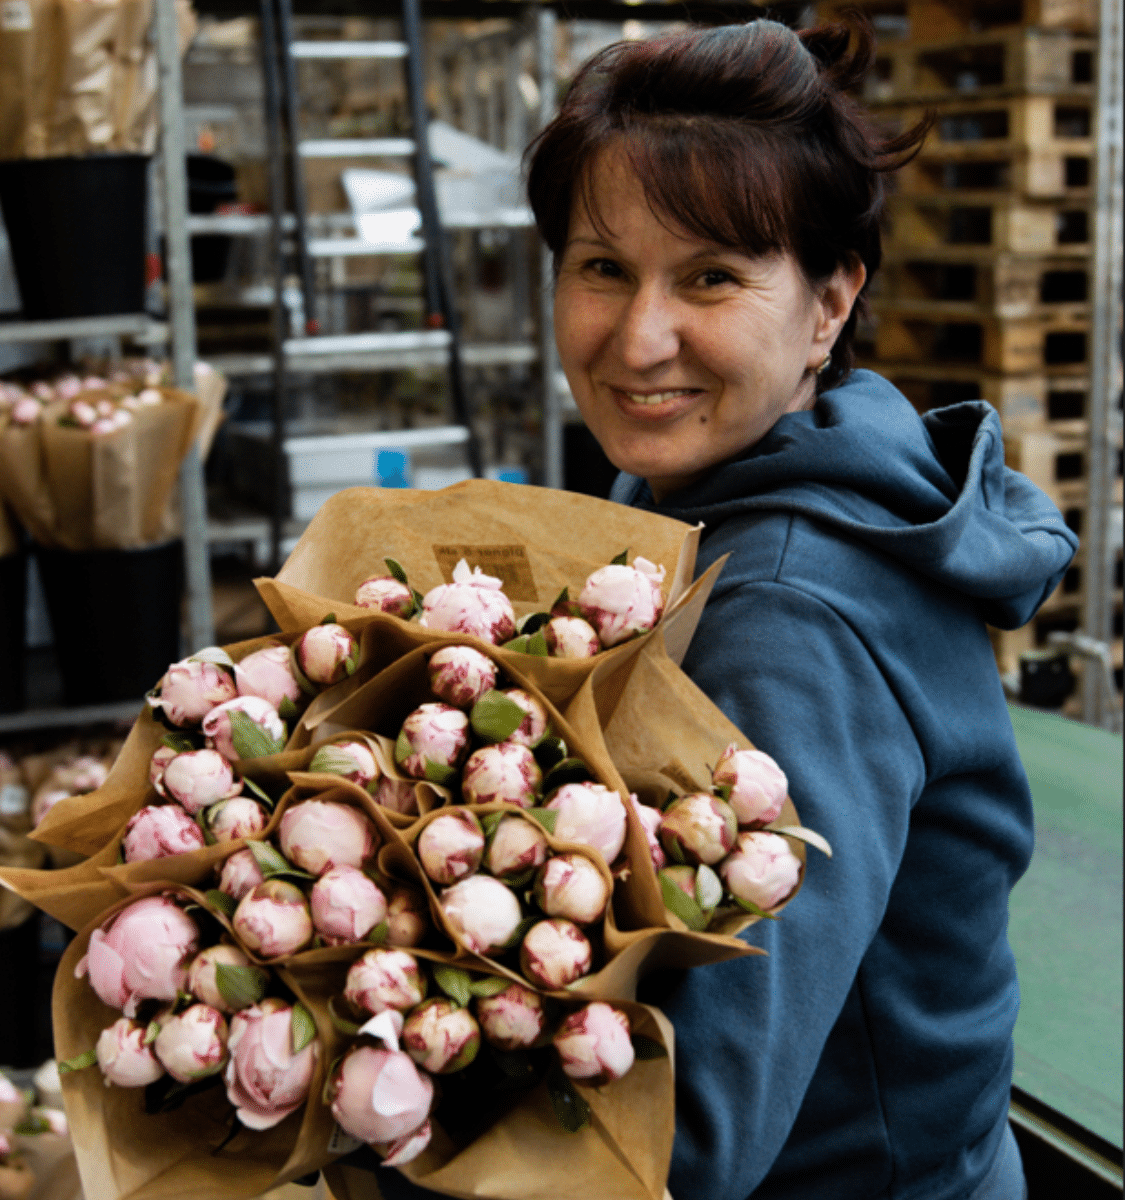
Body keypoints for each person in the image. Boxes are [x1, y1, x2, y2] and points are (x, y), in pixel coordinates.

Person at [378, 17, 1075, 1200]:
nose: (641, 338)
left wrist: (360, 1096)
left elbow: (682, 1135)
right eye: (603, 267)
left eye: (710, 277)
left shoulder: (790, 610)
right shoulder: (716, 492)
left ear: (827, 304)